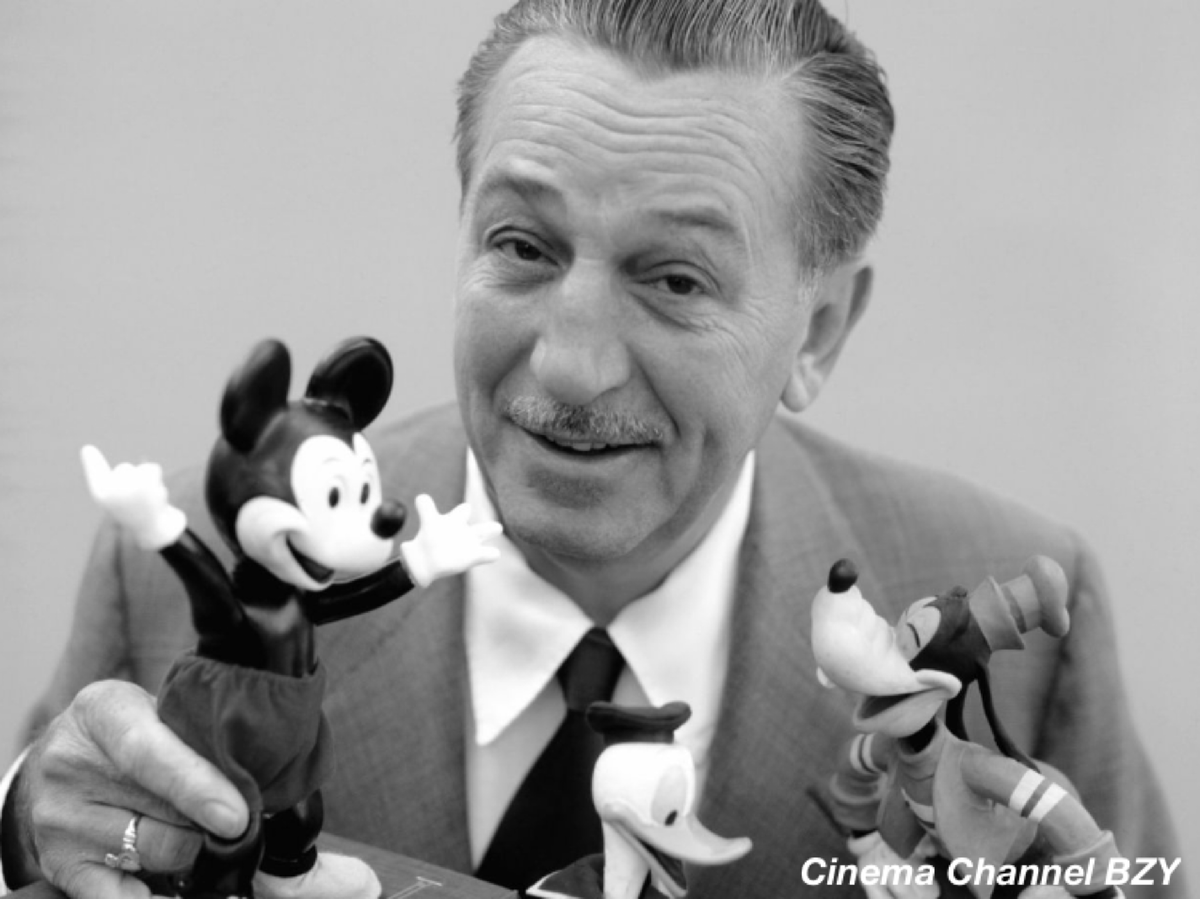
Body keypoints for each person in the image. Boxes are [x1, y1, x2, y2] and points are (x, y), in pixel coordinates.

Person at [0, 1, 1184, 897]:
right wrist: (21, 835)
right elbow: (50, 829)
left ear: (818, 329)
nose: (569, 364)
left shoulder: (1014, 632)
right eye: (522, 245)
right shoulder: (177, 583)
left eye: (675, 279)